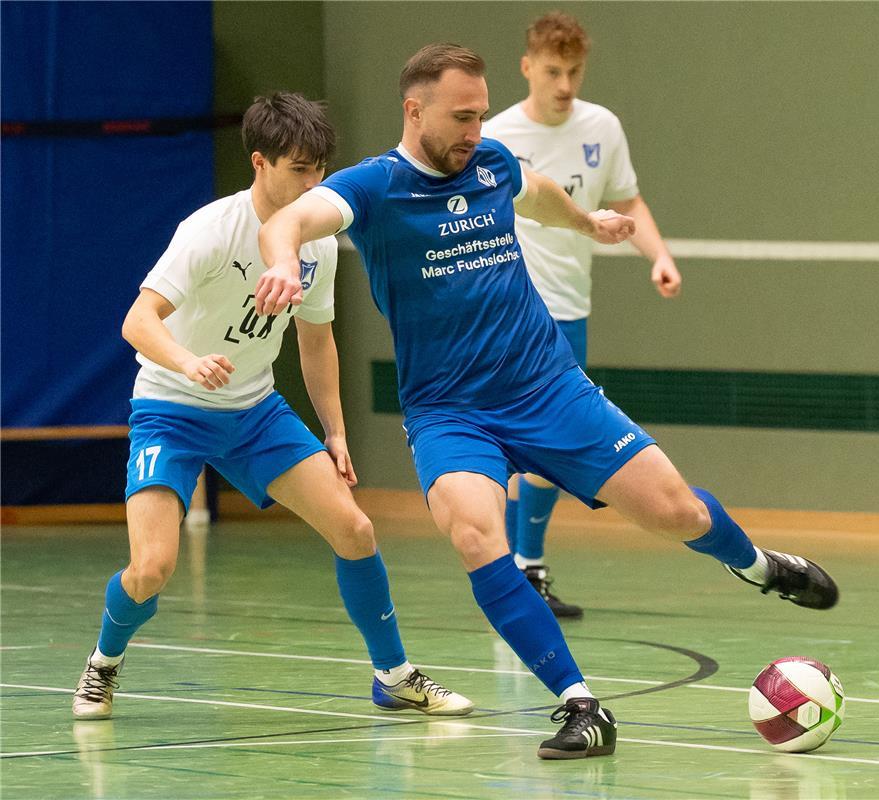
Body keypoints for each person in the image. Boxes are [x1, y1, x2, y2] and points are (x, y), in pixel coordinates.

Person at [255, 48, 839, 761]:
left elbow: (536, 194)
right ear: (414, 111)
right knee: (475, 535)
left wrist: (587, 225)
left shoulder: (493, 163)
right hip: (449, 411)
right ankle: (579, 704)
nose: (475, 129)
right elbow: (287, 222)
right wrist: (284, 258)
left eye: (479, 113)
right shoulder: (373, 188)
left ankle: (757, 567)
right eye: (460, 116)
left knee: (676, 513)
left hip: (545, 387)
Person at [72, 92, 473, 722]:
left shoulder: (315, 244)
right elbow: (137, 321)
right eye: (299, 170)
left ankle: (393, 675)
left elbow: (316, 341)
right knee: (151, 568)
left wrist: (335, 434)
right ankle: (103, 664)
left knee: (356, 528)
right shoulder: (209, 232)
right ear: (260, 163)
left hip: (255, 411)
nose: (314, 184)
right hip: (171, 410)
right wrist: (188, 362)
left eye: (321, 170)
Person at [482, 11, 683, 618]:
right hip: (512, 310)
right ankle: (522, 567)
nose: (565, 84)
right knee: (543, 440)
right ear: (527, 68)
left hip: (571, 307)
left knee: (539, 448)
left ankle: (520, 568)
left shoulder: (602, 127)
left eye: (574, 71)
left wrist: (659, 255)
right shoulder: (495, 136)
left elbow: (627, 201)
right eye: (552, 71)